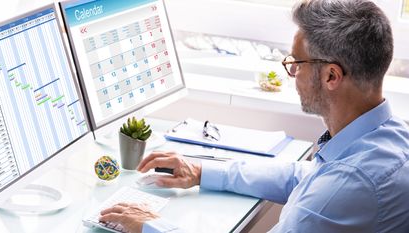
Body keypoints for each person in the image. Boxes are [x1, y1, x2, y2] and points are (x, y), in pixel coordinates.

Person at [99, 0, 409, 232]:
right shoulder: (389, 135)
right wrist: (201, 172)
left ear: (331, 76)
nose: (293, 75)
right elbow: (304, 176)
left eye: (296, 64)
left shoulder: (349, 187)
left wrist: (153, 226)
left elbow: (328, 188)